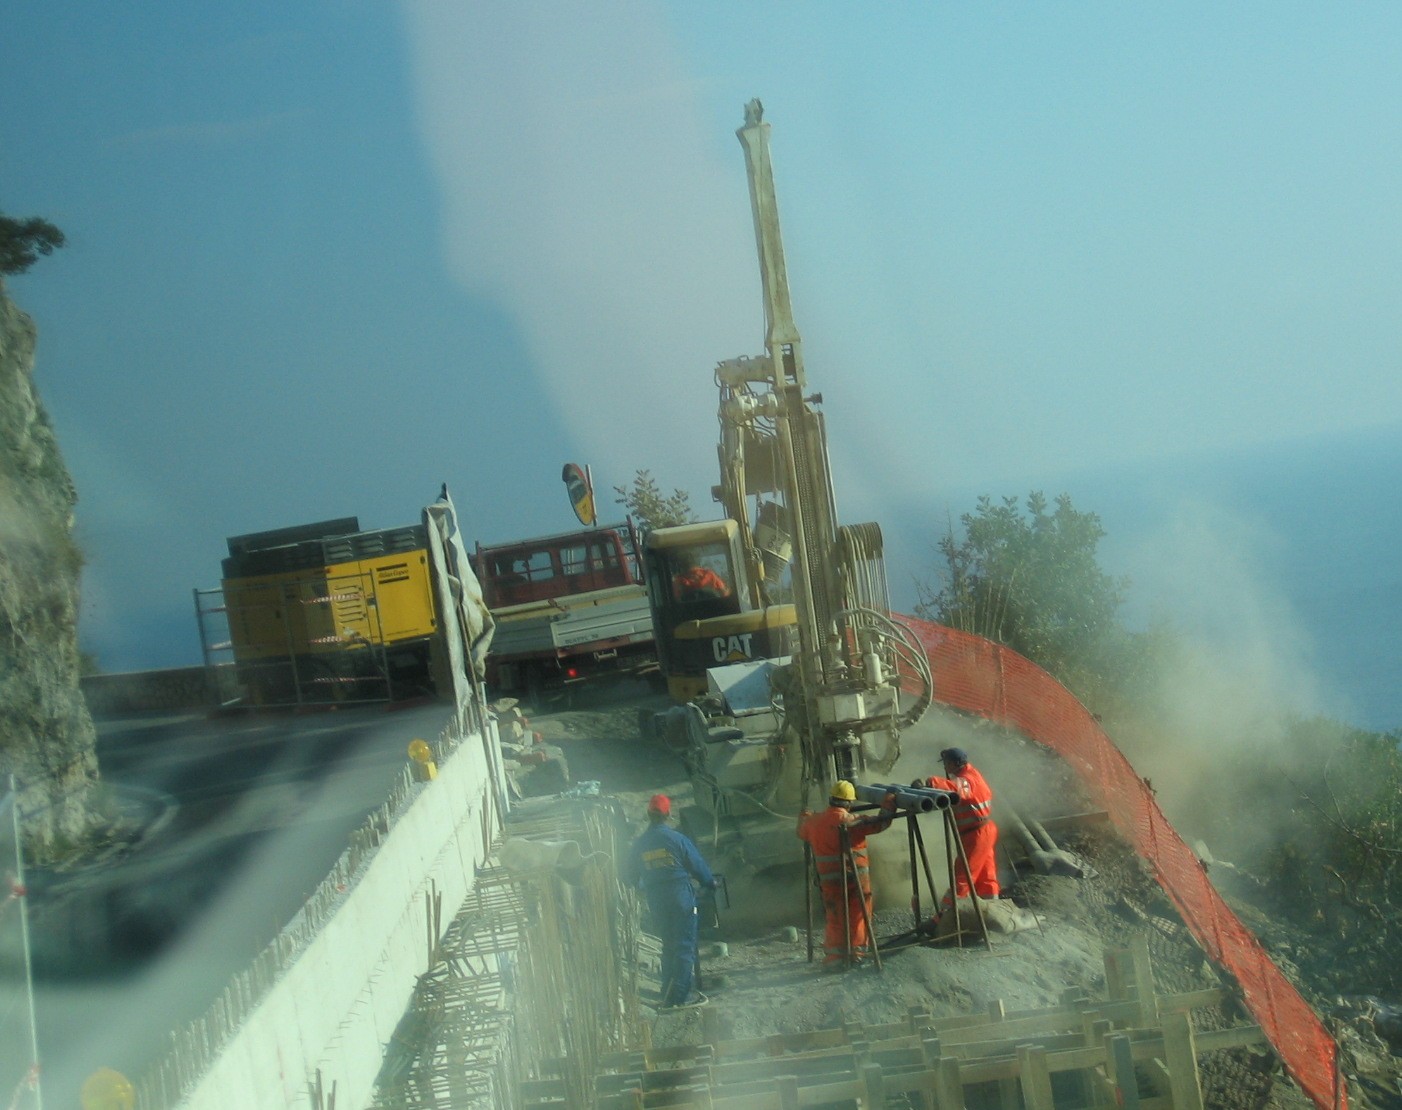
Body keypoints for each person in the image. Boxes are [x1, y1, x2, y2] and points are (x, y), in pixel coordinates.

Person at [623, 793, 717, 1008]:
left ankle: (666, 993)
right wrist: (709, 883)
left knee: (668, 946)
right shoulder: (677, 839)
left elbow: (629, 876)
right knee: (684, 948)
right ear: (668, 814)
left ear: (648, 814)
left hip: (657, 900)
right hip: (680, 896)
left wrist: (645, 883)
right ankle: (679, 999)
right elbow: (698, 867)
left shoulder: (640, 844)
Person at [796, 780, 896, 966]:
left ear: (831, 799)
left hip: (829, 880)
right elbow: (881, 823)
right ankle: (857, 954)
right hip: (855, 877)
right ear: (849, 803)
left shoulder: (813, 822)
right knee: (859, 915)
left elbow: (801, 831)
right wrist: (889, 802)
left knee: (835, 916)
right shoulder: (851, 821)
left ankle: (835, 957)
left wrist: (804, 816)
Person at [913, 746, 999, 915]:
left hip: (976, 834)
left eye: (946, 763)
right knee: (986, 875)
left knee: (963, 877)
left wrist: (930, 782)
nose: (944, 767)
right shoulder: (973, 773)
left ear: (954, 763)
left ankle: (945, 917)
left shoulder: (966, 779)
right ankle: (992, 912)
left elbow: (957, 788)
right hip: (983, 830)